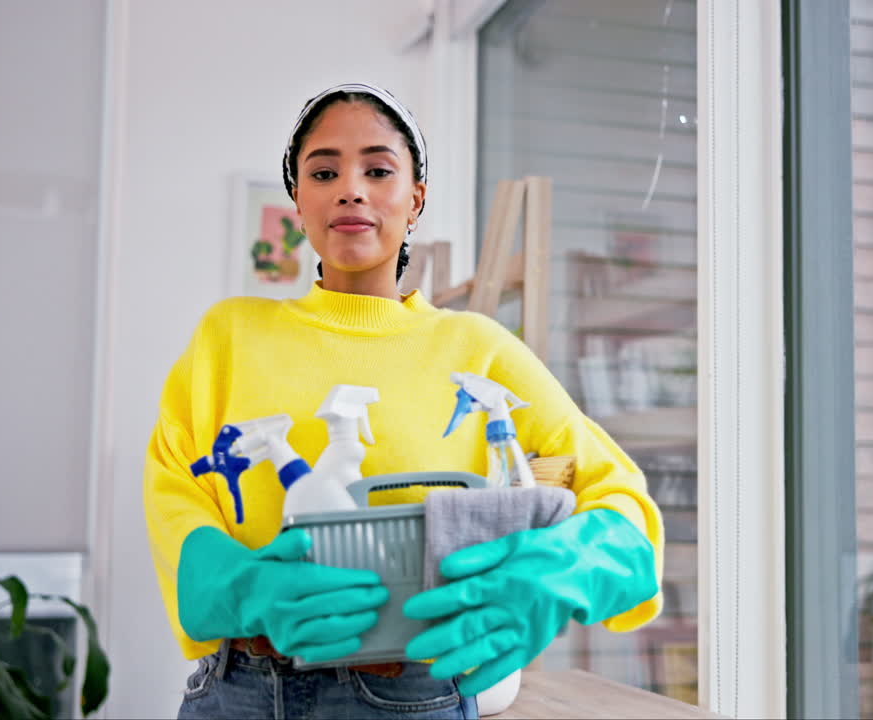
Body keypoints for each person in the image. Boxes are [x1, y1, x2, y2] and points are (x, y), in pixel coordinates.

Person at [144, 82, 664, 719]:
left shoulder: (477, 351)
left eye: (379, 169)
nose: (351, 188)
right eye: (325, 171)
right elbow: (174, 490)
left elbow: (623, 503)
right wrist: (243, 587)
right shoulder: (227, 338)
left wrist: (567, 565)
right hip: (235, 692)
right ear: (299, 202)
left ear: (415, 200)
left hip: (412, 694)